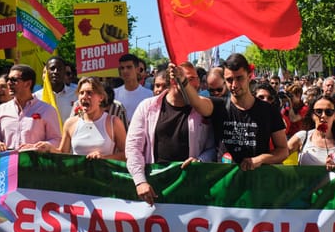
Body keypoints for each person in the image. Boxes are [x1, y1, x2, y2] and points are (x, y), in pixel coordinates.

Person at [169, 53, 288, 170]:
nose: (234, 85)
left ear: (249, 76)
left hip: (256, 183)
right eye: (229, 80)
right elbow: (196, 102)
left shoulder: (269, 110)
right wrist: (182, 80)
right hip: (224, 183)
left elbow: (283, 151)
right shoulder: (218, 106)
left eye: (239, 78)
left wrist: (261, 159)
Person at [126, 61, 215, 206]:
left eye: (194, 79)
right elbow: (133, 147)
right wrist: (140, 181)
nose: (193, 84)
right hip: (155, 188)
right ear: (173, 80)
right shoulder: (147, 107)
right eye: (187, 78)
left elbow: (212, 147)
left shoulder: (203, 109)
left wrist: (200, 161)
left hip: (191, 188)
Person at [0, 64, 61, 152]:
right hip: (8, 163)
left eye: (14, 80)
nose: (9, 83)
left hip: (35, 163)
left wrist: (43, 146)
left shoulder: (47, 110)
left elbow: (57, 140)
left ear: (28, 84)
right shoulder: (0, 110)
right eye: (8, 79)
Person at [49, 77, 126, 160]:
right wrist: (48, 149)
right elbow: (62, 154)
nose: (84, 97)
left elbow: (127, 154)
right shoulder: (70, 123)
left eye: (89, 93)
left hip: (103, 172)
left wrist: (103, 158)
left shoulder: (114, 122)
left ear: (101, 97)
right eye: (81, 93)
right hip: (77, 173)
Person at [288, 95, 335, 168]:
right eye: (318, 111)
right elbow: (279, 156)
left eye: (328, 112)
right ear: (312, 115)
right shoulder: (302, 137)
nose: (323, 115)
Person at [34, 56, 77, 125]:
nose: (56, 72)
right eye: (52, 68)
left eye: (59, 69)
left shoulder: (76, 94)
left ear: (64, 72)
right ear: (46, 72)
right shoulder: (36, 97)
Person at [114, 54, 153, 123]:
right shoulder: (114, 94)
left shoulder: (149, 95)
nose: (125, 71)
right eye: (122, 68)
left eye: (129, 67)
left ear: (137, 70)